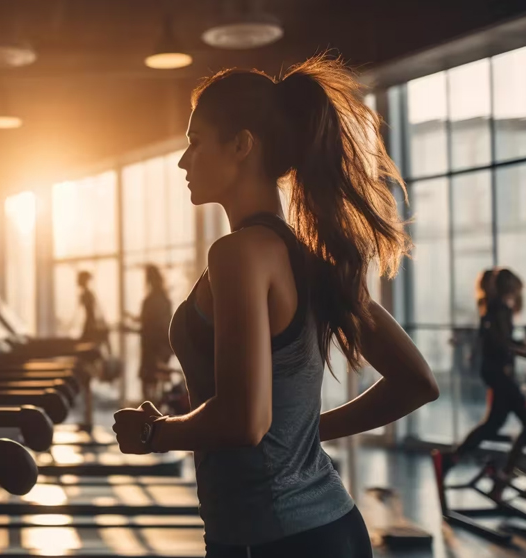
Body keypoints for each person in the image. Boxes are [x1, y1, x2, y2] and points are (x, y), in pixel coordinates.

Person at [112, 55, 438, 558]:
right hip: (328, 527)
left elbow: (244, 421)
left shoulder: (238, 254)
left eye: (195, 143)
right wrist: (310, 429)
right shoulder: (310, 261)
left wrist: (154, 433)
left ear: (242, 145)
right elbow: (418, 381)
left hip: (272, 540)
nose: (183, 160)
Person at [446, 268, 526, 481]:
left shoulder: (491, 308)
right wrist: (520, 350)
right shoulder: (500, 309)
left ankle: (453, 458)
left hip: (495, 373)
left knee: (493, 424)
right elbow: (503, 343)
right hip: (500, 374)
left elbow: (500, 341)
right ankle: (507, 472)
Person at [123, 264, 175, 402]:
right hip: (164, 350)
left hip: (151, 350)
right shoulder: (165, 300)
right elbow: (157, 324)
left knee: (148, 390)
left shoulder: (149, 301)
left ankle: (149, 419)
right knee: (159, 387)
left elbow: (146, 326)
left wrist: (130, 327)